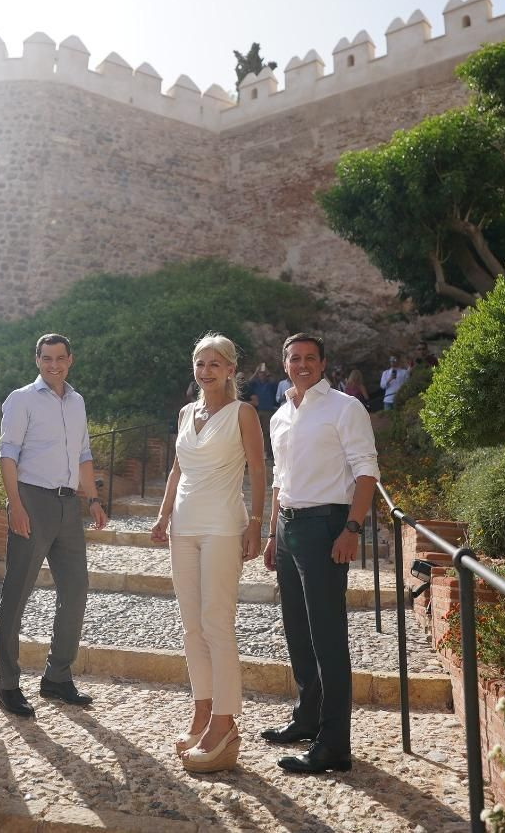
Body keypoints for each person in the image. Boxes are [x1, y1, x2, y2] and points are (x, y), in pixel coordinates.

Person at [261, 332, 380, 775]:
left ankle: (334, 745)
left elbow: (367, 471)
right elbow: (280, 478)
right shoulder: (280, 416)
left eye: (310, 357)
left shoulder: (345, 408)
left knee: (328, 638)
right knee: (297, 630)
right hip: (289, 527)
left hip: (327, 526)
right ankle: (307, 719)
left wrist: (352, 527)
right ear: (285, 363)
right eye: (294, 358)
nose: (302, 364)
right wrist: (274, 534)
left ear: (324, 362)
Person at [150, 333, 267, 773]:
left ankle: (225, 721)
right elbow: (177, 469)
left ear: (231, 369)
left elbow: (258, 470)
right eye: (200, 363)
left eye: (215, 364)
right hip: (183, 528)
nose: (206, 371)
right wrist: (162, 518)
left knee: (218, 625)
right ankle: (201, 712)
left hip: (222, 527)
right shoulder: (185, 412)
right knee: (191, 629)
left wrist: (256, 525)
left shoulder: (244, 413)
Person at [0, 333, 110, 718]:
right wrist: (16, 506)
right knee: (17, 593)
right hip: (32, 500)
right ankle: (7, 684)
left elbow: (83, 454)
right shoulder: (21, 399)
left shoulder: (77, 402)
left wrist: (92, 498)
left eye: (60, 358)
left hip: (68, 505)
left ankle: (57, 676)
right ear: (37, 359)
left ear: (70, 360)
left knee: (76, 590)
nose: (53, 364)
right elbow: (7, 455)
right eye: (47, 358)